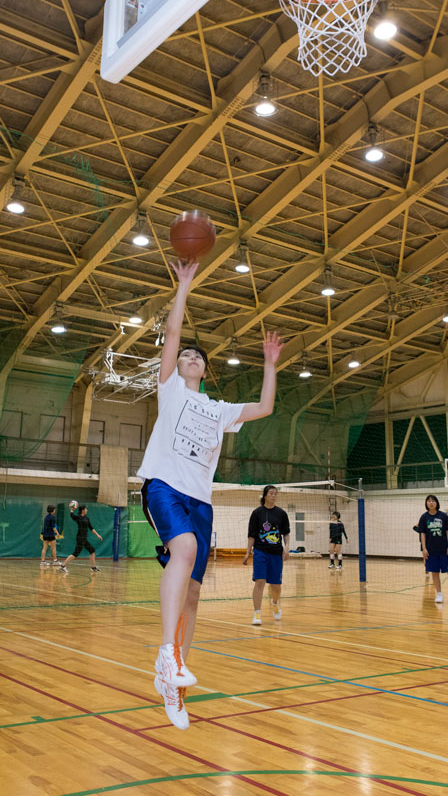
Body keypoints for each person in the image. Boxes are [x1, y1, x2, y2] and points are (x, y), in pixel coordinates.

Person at [137, 259, 283, 730]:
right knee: (185, 547)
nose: (192, 357)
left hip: (200, 500)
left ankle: (174, 685)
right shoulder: (171, 392)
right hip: (164, 486)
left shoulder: (218, 409)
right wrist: (183, 287)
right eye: (186, 355)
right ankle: (165, 652)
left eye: (200, 357)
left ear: (207, 369)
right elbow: (175, 334)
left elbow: (264, 406)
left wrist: (269, 366)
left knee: (195, 596)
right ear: (176, 366)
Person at [243, 485, 290, 625]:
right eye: (271, 493)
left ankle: (275, 602)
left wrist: (287, 547)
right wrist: (247, 553)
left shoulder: (281, 513)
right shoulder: (257, 513)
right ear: (265, 495)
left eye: (276, 494)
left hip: (276, 554)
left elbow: (286, 533)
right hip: (260, 552)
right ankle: (257, 613)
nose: (274, 496)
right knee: (260, 581)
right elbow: (251, 535)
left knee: (276, 585)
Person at [418, 494, 448, 604]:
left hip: (444, 550)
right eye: (429, 501)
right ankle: (439, 594)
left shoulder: (443, 516)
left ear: (436, 503)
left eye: (433, 501)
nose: (431, 503)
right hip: (431, 551)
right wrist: (424, 549)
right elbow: (422, 534)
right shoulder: (424, 517)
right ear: (426, 503)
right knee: (434, 573)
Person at [59, 504, 103, 574]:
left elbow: (91, 528)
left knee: (92, 550)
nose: (87, 510)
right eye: (86, 509)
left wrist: (98, 535)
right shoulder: (78, 518)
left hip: (84, 539)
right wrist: (71, 510)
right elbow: (72, 516)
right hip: (80, 538)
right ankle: (62, 566)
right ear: (83, 510)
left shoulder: (86, 518)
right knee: (75, 554)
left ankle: (93, 567)